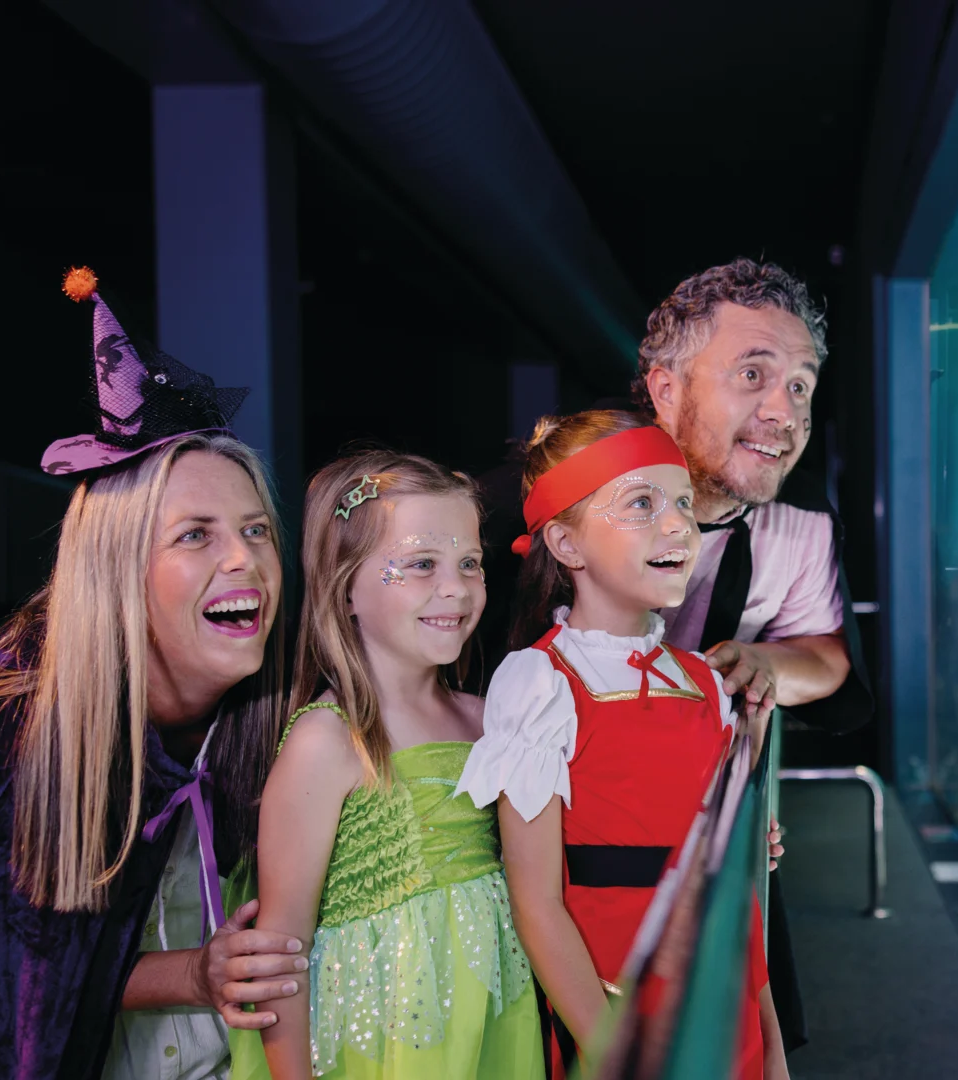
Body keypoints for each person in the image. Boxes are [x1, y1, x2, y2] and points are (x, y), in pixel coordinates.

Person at [0, 268, 308, 1079]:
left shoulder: (274, 713)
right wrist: (192, 975)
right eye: (195, 536)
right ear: (117, 569)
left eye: (256, 528)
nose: (245, 557)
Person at [473, 257, 873, 1047]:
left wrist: (764, 667)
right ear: (662, 390)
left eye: (800, 384)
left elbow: (829, 657)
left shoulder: (800, 529)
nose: (784, 410)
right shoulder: (520, 506)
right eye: (752, 372)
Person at [457, 410, 787, 1078]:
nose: (678, 525)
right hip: (614, 1015)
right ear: (566, 544)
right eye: (642, 503)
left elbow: (737, 906)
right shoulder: (540, 684)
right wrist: (613, 1054)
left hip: (721, 1007)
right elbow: (538, 904)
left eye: (685, 504)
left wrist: (772, 1044)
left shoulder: (706, 683)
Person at [229, 451, 543, 1079]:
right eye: (422, 564)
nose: (454, 587)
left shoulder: (495, 720)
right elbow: (279, 955)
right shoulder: (328, 740)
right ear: (345, 587)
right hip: (381, 1047)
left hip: (497, 1028)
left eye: (470, 564)